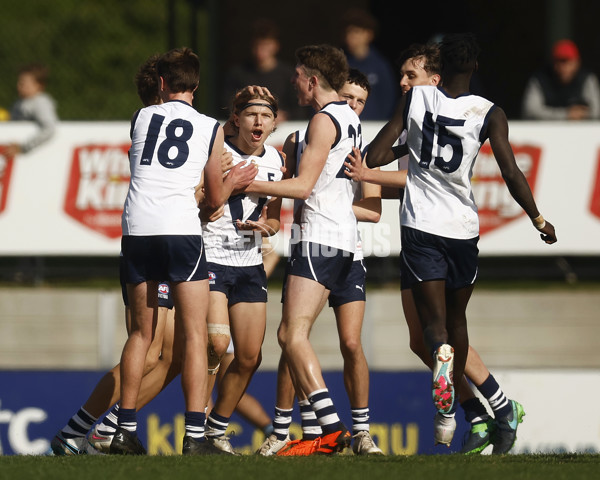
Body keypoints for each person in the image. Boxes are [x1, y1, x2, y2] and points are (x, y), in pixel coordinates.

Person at [365, 33, 557, 455]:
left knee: (432, 334)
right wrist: (538, 218)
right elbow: (509, 171)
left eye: (409, 74)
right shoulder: (489, 112)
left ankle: (456, 408)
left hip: (421, 228)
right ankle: (480, 409)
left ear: (437, 70)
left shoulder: (417, 102)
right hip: (463, 230)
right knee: (454, 323)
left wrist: (408, 146)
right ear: (474, 68)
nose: (403, 81)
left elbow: (376, 157)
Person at [113, 47, 257, 456]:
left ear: (160, 84)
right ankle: (195, 436)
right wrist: (236, 180)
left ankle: (123, 430)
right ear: (195, 85)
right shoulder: (211, 127)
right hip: (179, 230)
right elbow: (212, 202)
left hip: (137, 228)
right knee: (194, 334)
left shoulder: (140, 117)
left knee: (141, 333)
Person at [257, 69, 383, 457]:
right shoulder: (301, 138)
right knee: (295, 337)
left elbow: (374, 211)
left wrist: (338, 205)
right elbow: (289, 189)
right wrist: (271, 219)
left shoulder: (361, 143)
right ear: (334, 91)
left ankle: (355, 431)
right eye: (349, 97)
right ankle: (285, 429)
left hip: (343, 247)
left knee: (346, 342)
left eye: (361, 101)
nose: (353, 106)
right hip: (314, 241)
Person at [200, 88, 283, 455]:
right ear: (236, 119)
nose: (259, 122)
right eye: (251, 115)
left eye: (266, 117)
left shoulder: (277, 161)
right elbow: (198, 200)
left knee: (250, 356)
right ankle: (196, 424)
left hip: (249, 264)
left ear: (274, 123)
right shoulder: (217, 152)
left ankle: (215, 429)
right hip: (212, 257)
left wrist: (267, 228)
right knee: (216, 344)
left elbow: (277, 218)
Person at [221, 18, 304, 123]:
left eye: (265, 45)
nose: (260, 50)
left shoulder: (288, 75)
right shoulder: (237, 74)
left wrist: (283, 116)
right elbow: (227, 105)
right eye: (257, 45)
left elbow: (299, 108)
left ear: (275, 46)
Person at [341, 8, 398, 121]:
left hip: (373, 128)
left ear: (369, 34)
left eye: (356, 32)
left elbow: (389, 100)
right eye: (348, 32)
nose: (350, 37)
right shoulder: (340, 64)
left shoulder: (380, 66)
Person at [522, 39, 600, 120]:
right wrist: (566, 114)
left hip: (581, 130)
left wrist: (582, 114)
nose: (564, 67)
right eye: (560, 62)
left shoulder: (587, 79)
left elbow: (596, 111)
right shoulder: (540, 79)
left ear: (577, 62)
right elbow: (530, 111)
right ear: (553, 63)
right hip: (547, 130)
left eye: (568, 62)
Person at [5, 63, 58, 156]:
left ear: (39, 85)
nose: (19, 86)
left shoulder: (41, 103)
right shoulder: (18, 102)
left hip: (35, 157)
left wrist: (23, 147)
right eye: (19, 82)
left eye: (23, 83)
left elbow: (50, 129)